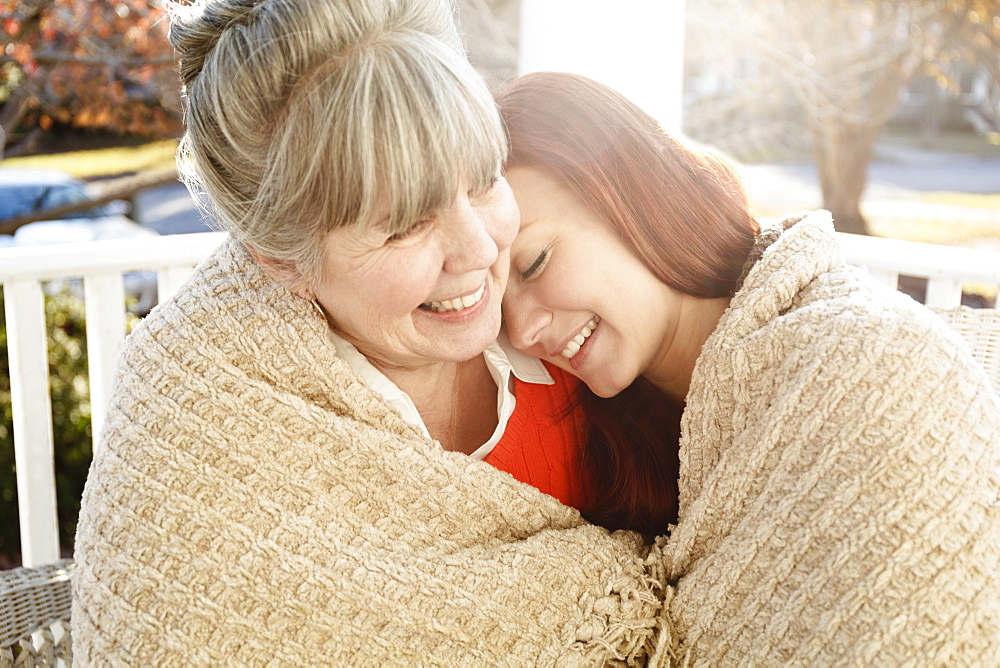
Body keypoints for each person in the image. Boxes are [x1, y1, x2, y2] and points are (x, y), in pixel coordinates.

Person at [70, 5, 678, 664]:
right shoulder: (204, 461)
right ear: (282, 260)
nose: (477, 250)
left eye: (482, 182)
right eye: (405, 225)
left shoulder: (574, 347)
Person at [497, 71, 1000, 664]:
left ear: (631, 193)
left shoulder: (863, 366)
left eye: (533, 263)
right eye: (500, 310)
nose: (525, 331)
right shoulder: (617, 438)